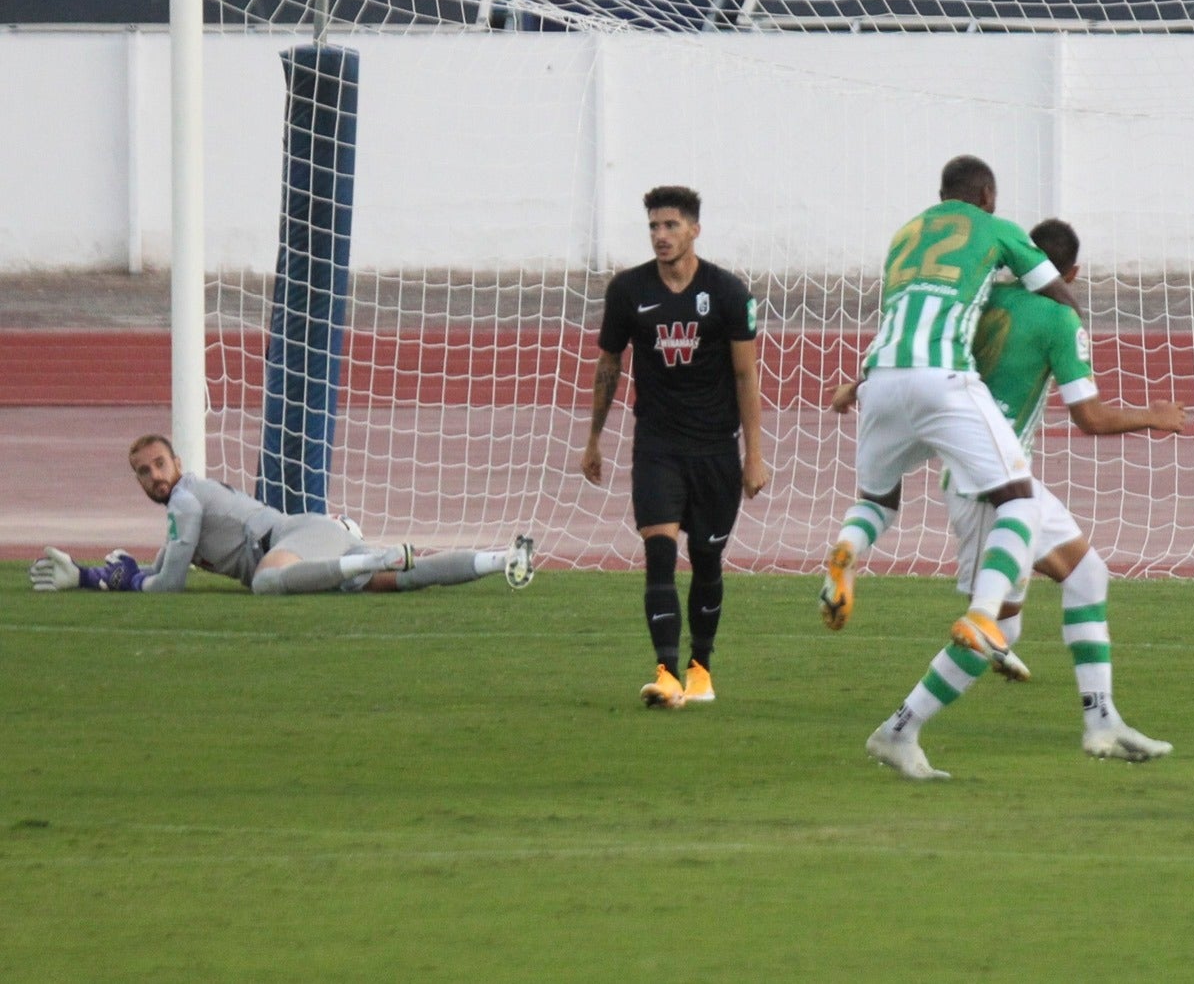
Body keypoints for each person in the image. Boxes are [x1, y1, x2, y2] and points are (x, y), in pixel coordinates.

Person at [833, 219, 1188, 778]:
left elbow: (921, 342)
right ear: (1069, 273)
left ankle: (1102, 722)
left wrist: (857, 384)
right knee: (1000, 627)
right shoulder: (1058, 316)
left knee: (1087, 576)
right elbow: (1090, 417)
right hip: (988, 490)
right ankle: (897, 731)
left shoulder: (982, 295)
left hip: (992, 473)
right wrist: (1155, 416)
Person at [819, 155, 1077, 682]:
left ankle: (847, 550)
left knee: (877, 501)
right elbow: (1058, 294)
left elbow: (909, 312)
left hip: (882, 378)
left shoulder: (904, 235)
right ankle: (984, 615)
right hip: (943, 378)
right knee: (1017, 498)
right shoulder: (997, 229)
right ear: (985, 195)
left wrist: (857, 385)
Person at [581, 185, 769, 710]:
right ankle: (665, 672)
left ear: (694, 230)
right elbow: (609, 365)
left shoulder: (728, 292)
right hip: (657, 446)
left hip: (715, 449)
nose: (660, 236)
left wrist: (753, 454)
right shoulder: (628, 291)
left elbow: (744, 373)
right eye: (653, 227)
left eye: (670, 226)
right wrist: (593, 439)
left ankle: (700, 667)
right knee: (658, 553)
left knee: (707, 562)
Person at [28, 434, 535, 595]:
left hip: (295, 540)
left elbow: (168, 585)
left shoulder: (184, 497)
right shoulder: (189, 505)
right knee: (405, 578)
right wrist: (90, 577)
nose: (155, 476)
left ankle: (371, 556)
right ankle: (503, 559)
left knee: (266, 585)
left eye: (159, 464)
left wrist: (135, 582)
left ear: (177, 464)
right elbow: (164, 562)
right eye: (144, 472)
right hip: (310, 542)